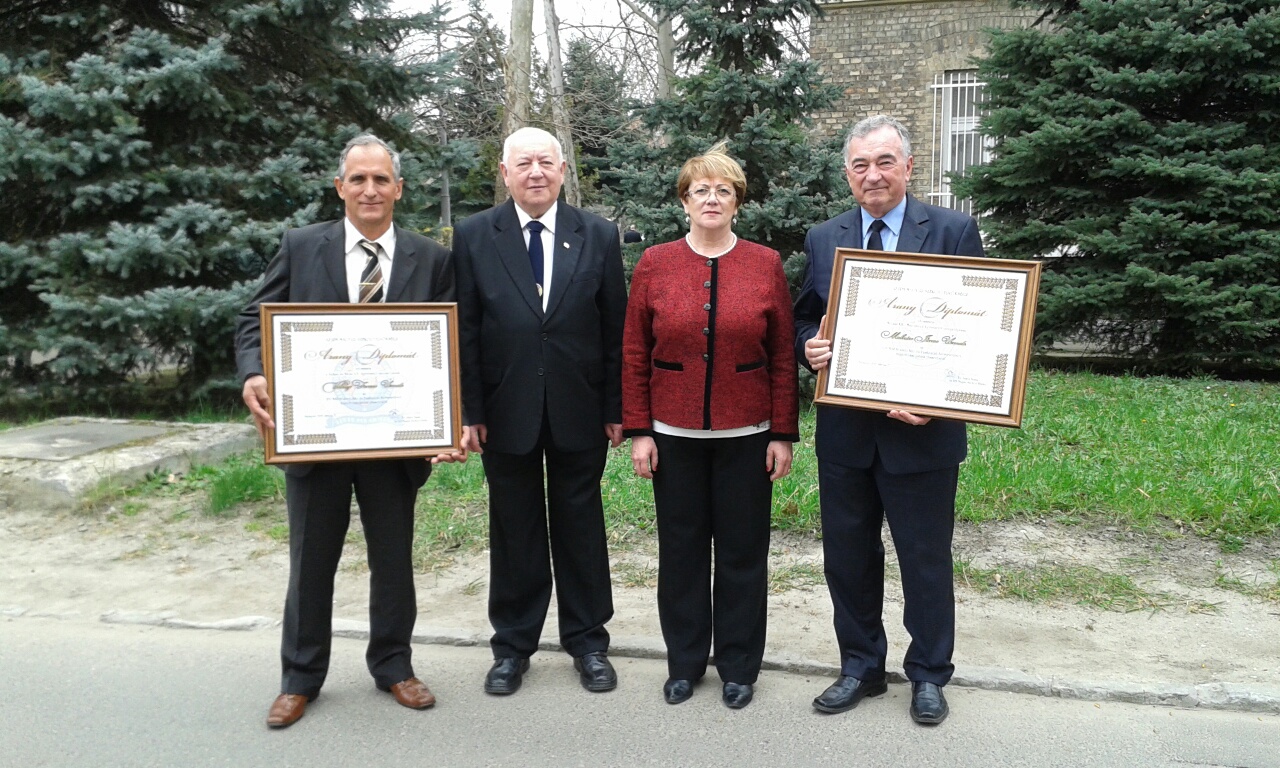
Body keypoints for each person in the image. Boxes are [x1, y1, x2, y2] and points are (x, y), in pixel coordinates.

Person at [235, 134, 458, 729]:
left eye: (381, 179)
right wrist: (255, 371)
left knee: (394, 561)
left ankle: (394, 666)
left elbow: (447, 346)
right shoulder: (301, 246)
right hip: (317, 437)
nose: (369, 189)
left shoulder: (430, 259)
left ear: (398, 188)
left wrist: (446, 419)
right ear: (340, 187)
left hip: (396, 441)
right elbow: (254, 318)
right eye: (358, 179)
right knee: (311, 563)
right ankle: (299, 678)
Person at [793, 115, 985, 726]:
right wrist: (808, 347)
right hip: (846, 435)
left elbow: (978, 331)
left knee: (924, 559)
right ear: (847, 174)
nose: (872, 175)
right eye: (860, 165)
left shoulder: (952, 230)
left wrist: (939, 399)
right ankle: (861, 667)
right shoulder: (824, 237)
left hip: (923, 435)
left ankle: (928, 674)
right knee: (848, 558)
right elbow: (805, 316)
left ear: (907, 165)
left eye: (884, 162)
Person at [452, 127, 628, 696]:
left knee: (581, 528)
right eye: (524, 163)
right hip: (505, 410)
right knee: (514, 529)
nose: (536, 172)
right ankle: (512, 647)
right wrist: (470, 410)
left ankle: (589, 643)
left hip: (580, 407)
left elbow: (615, 328)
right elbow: (465, 329)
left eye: (546, 163)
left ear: (562, 171)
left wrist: (616, 407)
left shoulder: (596, 234)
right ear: (505, 173)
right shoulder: (475, 235)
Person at [622, 141, 798, 710]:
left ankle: (740, 667)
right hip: (673, 436)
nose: (712, 199)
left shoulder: (765, 264)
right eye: (701, 190)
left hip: (747, 435)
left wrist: (782, 433)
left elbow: (781, 355)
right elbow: (634, 352)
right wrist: (640, 429)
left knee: (744, 555)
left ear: (737, 202)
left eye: (724, 190)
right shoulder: (655, 263)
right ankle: (685, 663)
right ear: (685, 201)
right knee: (681, 554)